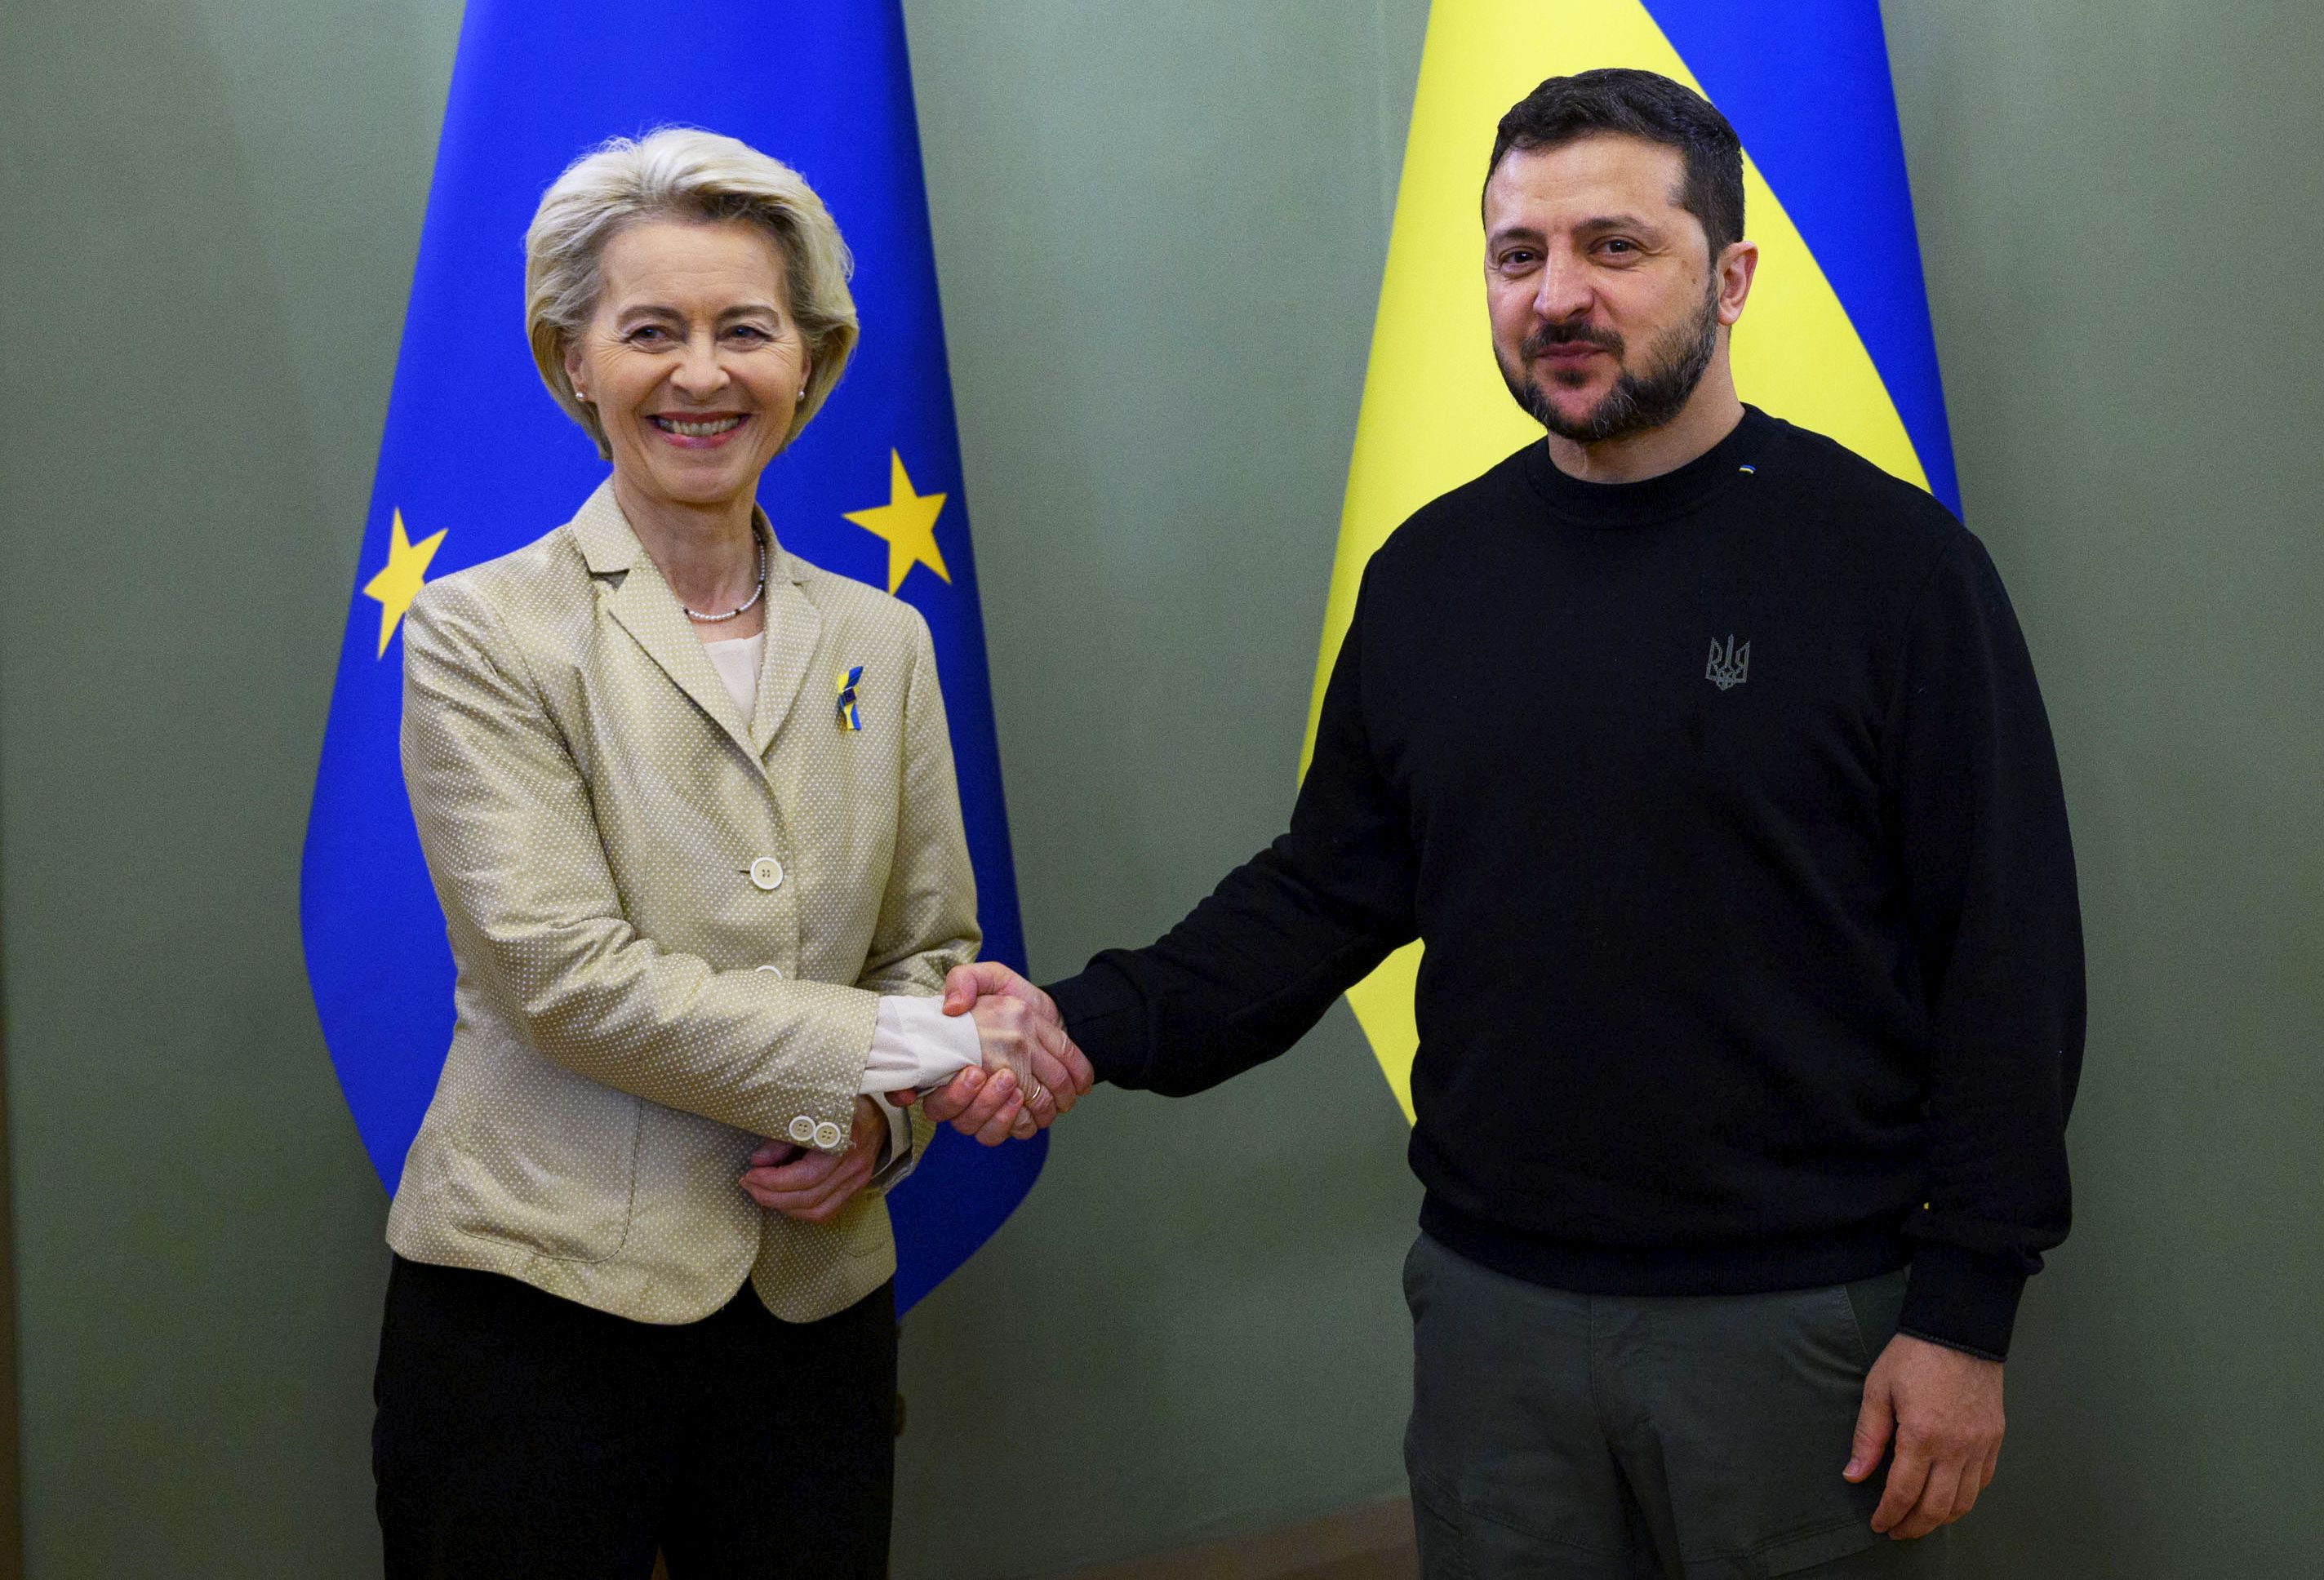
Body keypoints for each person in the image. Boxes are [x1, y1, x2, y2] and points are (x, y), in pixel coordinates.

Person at [918, 69, 2082, 1578]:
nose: (1557, 296)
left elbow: (2008, 956)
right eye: (1518, 253)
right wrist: (1079, 1021)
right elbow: (1321, 896)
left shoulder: (1892, 569)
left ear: (1732, 277)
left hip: (1802, 1330)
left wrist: (1968, 1313)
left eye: (1615, 246)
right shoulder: (1432, 575)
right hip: (1492, 1323)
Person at [372, 127, 1088, 1579]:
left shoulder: (885, 639)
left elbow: (928, 947)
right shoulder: (481, 633)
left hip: (813, 1314)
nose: (701, 375)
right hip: (537, 1309)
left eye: (745, 330)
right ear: (574, 361)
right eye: (652, 332)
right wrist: (930, 1049)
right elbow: (563, 981)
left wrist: (880, 1128)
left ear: (810, 362)